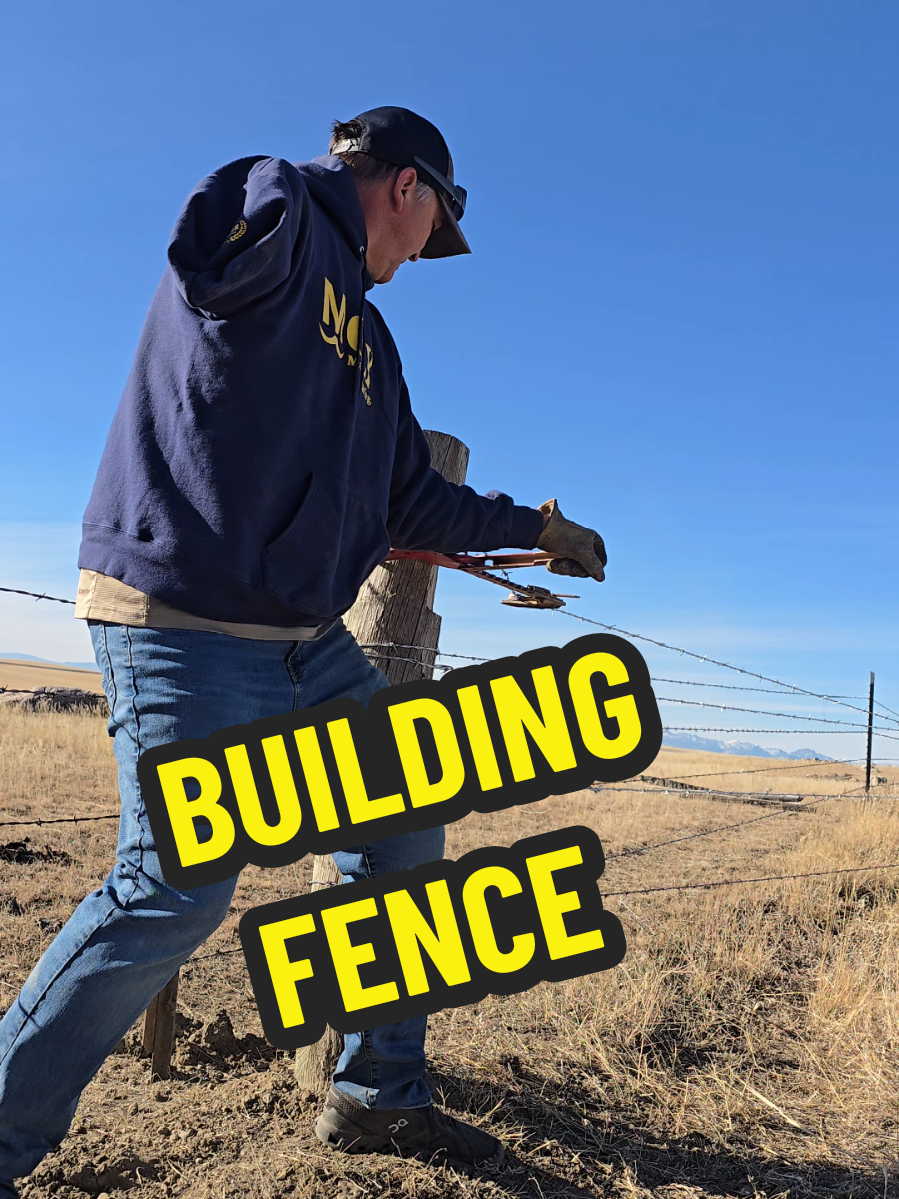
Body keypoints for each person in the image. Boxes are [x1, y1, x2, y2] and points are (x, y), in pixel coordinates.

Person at [0, 106, 606, 1192]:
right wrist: (284, 198)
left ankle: (378, 1095)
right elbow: (211, 251)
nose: (421, 257)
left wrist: (533, 529)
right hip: (179, 612)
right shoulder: (277, 209)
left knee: (404, 814)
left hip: (301, 639)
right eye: (430, 231)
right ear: (405, 188)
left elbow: (412, 498)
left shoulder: (370, 347)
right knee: (173, 887)